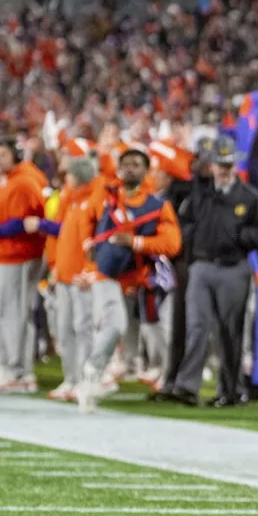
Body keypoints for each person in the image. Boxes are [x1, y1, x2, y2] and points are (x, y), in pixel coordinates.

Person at [156, 136, 258, 407]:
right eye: (220, 163)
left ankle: (230, 390)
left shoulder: (249, 197)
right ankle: (186, 386)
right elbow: (182, 224)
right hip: (203, 266)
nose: (223, 168)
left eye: (228, 163)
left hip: (234, 268)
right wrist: (194, 240)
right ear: (213, 165)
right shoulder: (200, 195)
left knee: (230, 331)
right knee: (196, 326)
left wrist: (242, 237)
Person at [76, 145, 182, 413]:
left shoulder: (157, 205)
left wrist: (135, 242)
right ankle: (93, 372)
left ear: (146, 170)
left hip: (139, 278)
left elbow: (172, 244)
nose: (130, 168)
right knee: (115, 326)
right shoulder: (106, 196)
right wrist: (88, 248)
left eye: (137, 164)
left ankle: (159, 372)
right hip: (108, 274)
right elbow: (86, 222)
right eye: (126, 163)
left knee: (152, 329)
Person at [0, 140, 48, 393]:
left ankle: (20, 372)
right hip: (8, 256)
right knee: (9, 313)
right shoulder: (12, 180)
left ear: (17, 155)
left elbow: (22, 222)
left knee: (16, 314)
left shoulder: (23, 182)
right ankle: (15, 370)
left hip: (19, 256)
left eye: (3, 154)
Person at [40, 156, 104, 400]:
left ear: (78, 176)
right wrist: (56, 267)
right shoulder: (72, 200)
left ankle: (86, 382)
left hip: (82, 277)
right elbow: (62, 239)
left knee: (83, 329)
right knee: (64, 329)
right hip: (65, 274)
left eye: (69, 174)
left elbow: (97, 241)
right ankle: (71, 379)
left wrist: (91, 269)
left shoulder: (96, 200)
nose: (66, 177)